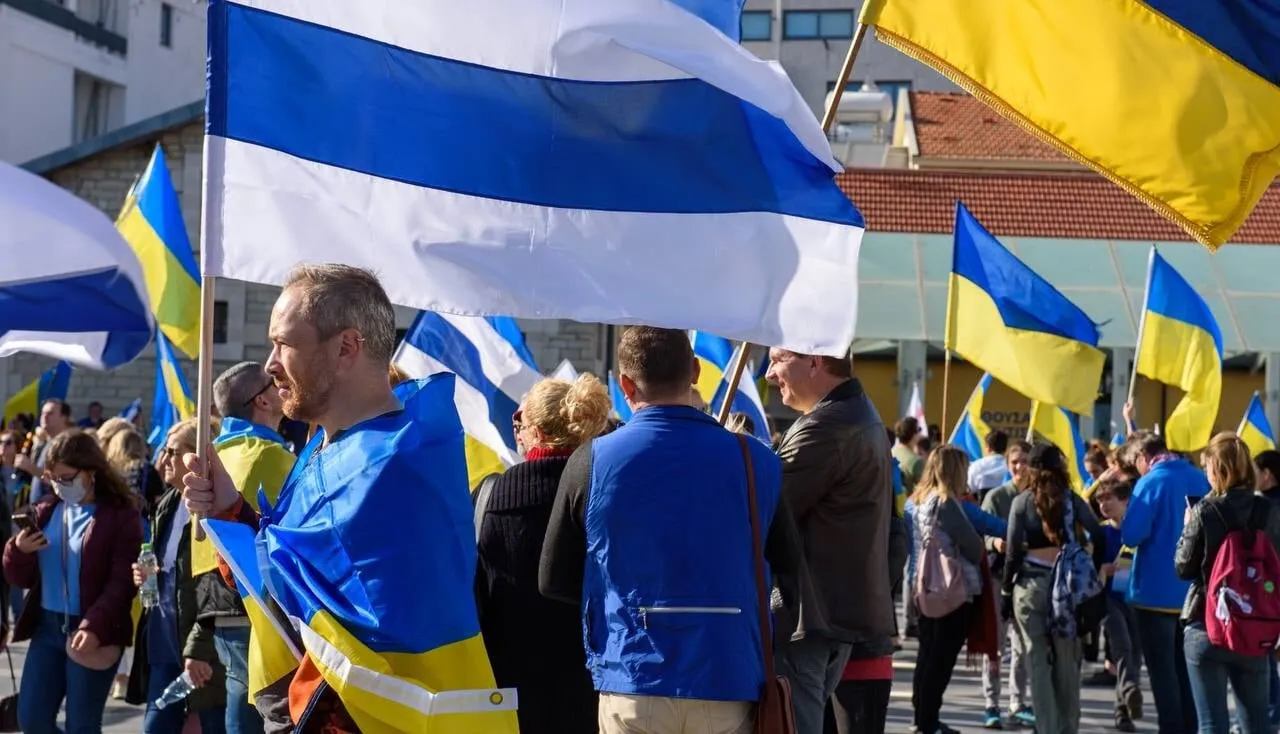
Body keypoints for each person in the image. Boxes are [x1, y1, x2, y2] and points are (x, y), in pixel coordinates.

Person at [182, 264, 515, 733]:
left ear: (346, 348)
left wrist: (236, 520)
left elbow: (312, 596)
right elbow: (300, 582)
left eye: (285, 344)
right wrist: (230, 512)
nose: (271, 364)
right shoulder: (333, 447)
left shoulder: (390, 462)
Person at [542, 326, 802, 734]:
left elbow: (552, 578)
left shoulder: (591, 460)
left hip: (632, 675)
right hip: (729, 673)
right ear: (696, 370)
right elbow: (790, 570)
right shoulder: (757, 460)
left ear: (625, 384)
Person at [765, 346, 894, 734]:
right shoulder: (856, 413)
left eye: (777, 359)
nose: (770, 374)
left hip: (809, 617)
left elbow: (763, 509)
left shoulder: (826, 425)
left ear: (814, 362)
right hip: (828, 615)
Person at [476, 375, 610, 734]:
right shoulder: (605, 494)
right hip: (592, 688)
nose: (515, 429)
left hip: (507, 692)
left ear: (534, 430)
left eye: (517, 420)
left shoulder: (491, 495)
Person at [3, 430, 143, 734]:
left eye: (67, 478)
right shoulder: (45, 511)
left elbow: (122, 583)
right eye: (54, 478)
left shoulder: (120, 516)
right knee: (32, 720)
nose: (59, 485)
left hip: (93, 629)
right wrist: (18, 551)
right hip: (47, 629)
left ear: (91, 471)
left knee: (82, 725)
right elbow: (18, 575)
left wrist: (94, 625)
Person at [193, 361, 295, 734]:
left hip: (214, 612)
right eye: (274, 383)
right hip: (257, 611)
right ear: (262, 401)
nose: (283, 382)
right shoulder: (268, 454)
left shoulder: (215, 457)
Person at [127, 418, 227, 734]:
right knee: (156, 727)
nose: (164, 459)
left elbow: (217, 583)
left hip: (200, 642)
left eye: (173, 451)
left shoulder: (215, 504)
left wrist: (201, 648)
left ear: (198, 454)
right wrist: (147, 574)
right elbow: (166, 565)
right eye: (164, 450)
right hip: (163, 637)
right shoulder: (168, 502)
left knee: (214, 726)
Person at [1175, 433, 1280, 734]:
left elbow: (1183, 567)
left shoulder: (1205, 511)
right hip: (1255, 623)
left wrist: (1187, 529)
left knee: (1211, 724)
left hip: (1207, 622)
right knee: (1257, 724)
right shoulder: (1268, 512)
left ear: (1217, 470)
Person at [1002, 444, 1107, 734]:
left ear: (1031, 469)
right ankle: (1067, 727)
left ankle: (1046, 728)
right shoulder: (1072, 500)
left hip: (1031, 585)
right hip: (1067, 589)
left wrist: (1006, 594)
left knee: (1036, 661)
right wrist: (1090, 567)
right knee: (1066, 662)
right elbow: (1098, 534)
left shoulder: (1021, 503)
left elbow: (1012, 552)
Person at [1121, 431, 1205, 734]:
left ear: (1144, 457)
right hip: (1193, 593)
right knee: (1188, 675)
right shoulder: (1199, 477)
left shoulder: (1150, 481)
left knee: (1162, 675)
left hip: (1154, 594)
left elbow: (1131, 535)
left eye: (1135, 464)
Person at [910, 445, 985, 734]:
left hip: (925, 585)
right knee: (941, 660)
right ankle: (928, 721)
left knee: (927, 655)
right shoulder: (946, 503)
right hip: (951, 590)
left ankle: (922, 718)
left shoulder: (919, 500)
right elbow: (973, 547)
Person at [978, 440, 1034, 729]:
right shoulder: (997, 497)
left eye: (1025, 461)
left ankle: (1017, 701)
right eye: (1014, 461)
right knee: (995, 647)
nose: (1019, 467)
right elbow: (981, 530)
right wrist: (993, 541)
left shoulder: (1037, 497)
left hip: (1026, 579)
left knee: (1021, 645)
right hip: (998, 577)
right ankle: (991, 703)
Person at [1094, 478, 1143, 732]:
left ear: (1125, 501)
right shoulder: (1101, 532)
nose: (1103, 504)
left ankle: (1122, 710)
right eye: (1100, 500)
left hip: (1137, 599)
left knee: (1135, 654)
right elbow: (1090, 565)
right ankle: (1130, 688)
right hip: (1110, 599)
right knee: (1122, 647)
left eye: (1109, 498)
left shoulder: (1137, 530)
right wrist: (1103, 568)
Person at [20, 398, 71, 505]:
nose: (44, 417)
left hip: (56, 509)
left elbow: (65, 482)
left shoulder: (68, 444)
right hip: (40, 510)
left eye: (50, 413)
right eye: (43, 413)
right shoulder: (47, 442)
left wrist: (30, 467)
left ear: (64, 417)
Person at [968, 430, 1010, 500]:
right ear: (1006, 448)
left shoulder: (975, 466)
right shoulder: (1011, 467)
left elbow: (969, 489)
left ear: (988, 447)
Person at [894, 417, 925, 494]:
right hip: (907, 504)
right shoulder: (917, 461)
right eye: (919, 429)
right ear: (914, 434)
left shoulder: (890, 453)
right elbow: (925, 492)